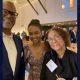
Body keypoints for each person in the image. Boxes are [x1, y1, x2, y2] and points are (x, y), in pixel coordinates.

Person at [3, 1, 25, 80]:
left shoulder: (18, 40)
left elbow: (21, 67)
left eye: (12, 14)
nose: (9, 16)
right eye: (5, 12)